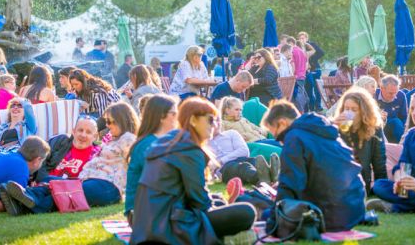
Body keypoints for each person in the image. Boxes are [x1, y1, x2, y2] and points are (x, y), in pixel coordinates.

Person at [130, 97, 256, 243]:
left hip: (148, 225)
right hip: (171, 228)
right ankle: (230, 239)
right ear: (193, 120)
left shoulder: (170, 141)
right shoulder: (190, 148)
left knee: (218, 200)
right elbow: (199, 201)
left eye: (216, 120)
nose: (214, 125)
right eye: (210, 120)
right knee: (247, 212)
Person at [3, 103, 139, 215]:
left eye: (110, 121)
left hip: (109, 186)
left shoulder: (128, 139)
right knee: (54, 185)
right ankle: (22, 195)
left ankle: (26, 206)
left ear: (122, 120)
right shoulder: (112, 140)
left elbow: (140, 164)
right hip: (90, 182)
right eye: (106, 121)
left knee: (70, 192)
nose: (107, 125)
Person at [261, 100, 365, 231]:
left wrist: (275, 219)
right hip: (355, 210)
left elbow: (290, 185)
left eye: (276, 135)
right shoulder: (324, 132)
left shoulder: (294, 137)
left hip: (329, 215)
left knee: (266, 214)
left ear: (282, 122)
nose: (279, 141)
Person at [124, 94, 178, 223]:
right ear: (161, 117)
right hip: (143, 213)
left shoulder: (162, 140)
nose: (178, 118)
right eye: (174, 114)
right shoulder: (149, 144)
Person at [333, 88, 387, 194]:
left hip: (360, 181)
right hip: (338, 178)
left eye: (354, 110)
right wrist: (332, 129)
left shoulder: (373, 129)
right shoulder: (336, 127)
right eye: (346, 108)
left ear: (364, 111)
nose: (349, 113)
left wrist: (382, 188)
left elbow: (379, 161)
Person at [33, 116, 101, 183]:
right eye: (80, 130)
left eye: (88, 132)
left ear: (95, 136)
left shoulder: (98, 155)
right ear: (73, 132)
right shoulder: (61, 141)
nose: (83, 135)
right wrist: (42, 180)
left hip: (71, 191)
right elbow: (42, 159)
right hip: (44, 186)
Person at [375, 75, 408, 143]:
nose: (393, 96)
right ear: (382, 88)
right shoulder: (374, 95)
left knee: (396, 122)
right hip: (377, 126)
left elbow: (405, 117)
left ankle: (402, 147)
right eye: (390, 93)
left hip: (396, 127)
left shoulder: (401, 95)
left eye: (395, 92)